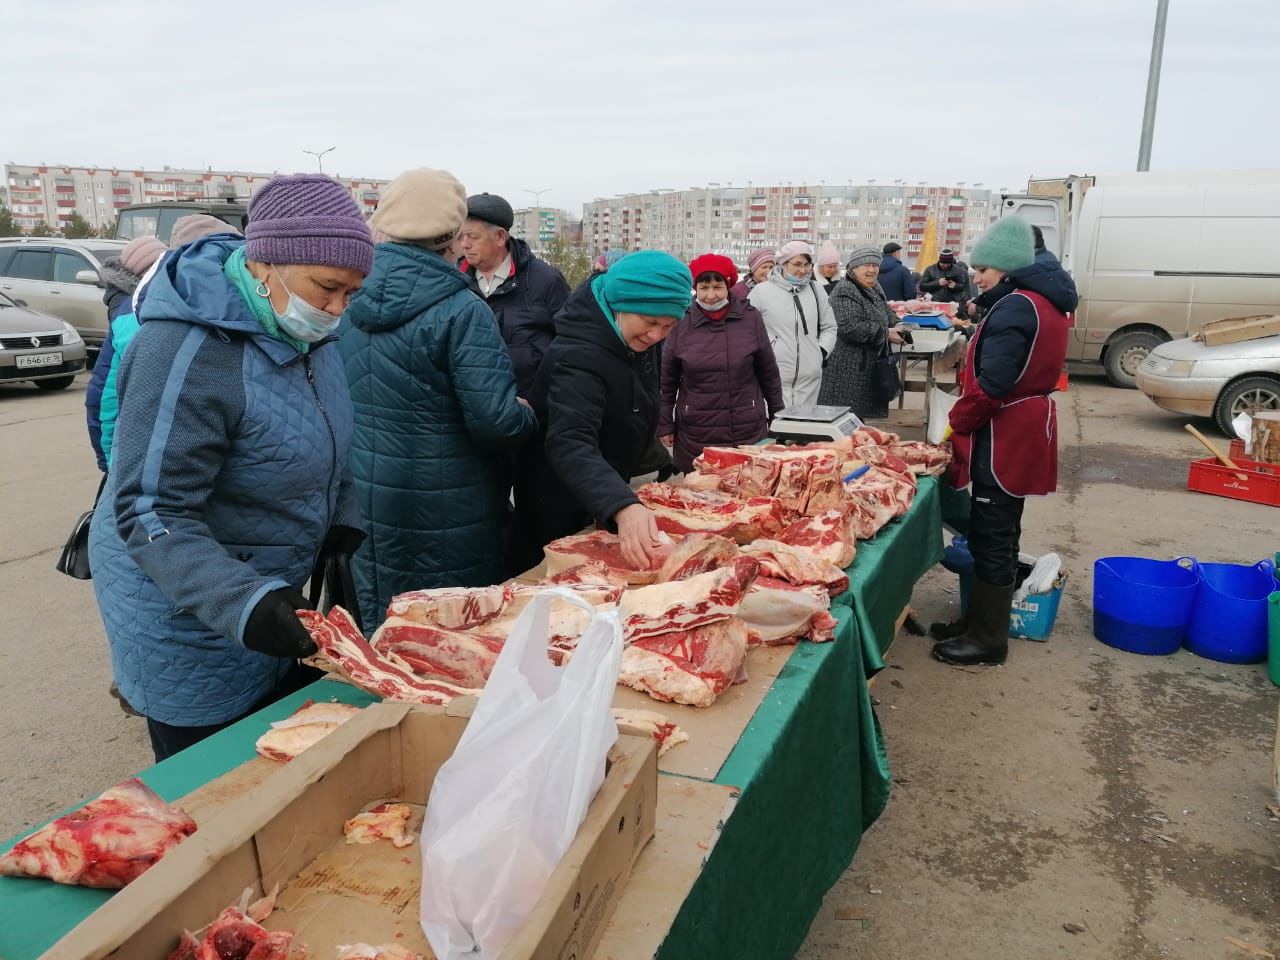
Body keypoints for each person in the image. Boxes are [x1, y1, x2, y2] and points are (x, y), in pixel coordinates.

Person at [89, 174, 374, 761]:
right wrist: (244, 601)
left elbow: (325, 433)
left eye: (352, 293)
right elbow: (150, 510)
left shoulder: (306, 332)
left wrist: (339, 515)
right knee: (217, 786)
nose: (338, 310)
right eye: (328, 288)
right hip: (185, 608)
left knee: (286, 763)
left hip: (269, 583)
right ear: (266, 263)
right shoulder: (186, 349)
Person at [339, 170, 538, 630]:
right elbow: (496, 422)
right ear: (452, 235)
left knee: (386, 622)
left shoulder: (347, 296)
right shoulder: (461, 308)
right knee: (452, 632)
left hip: (369, 493)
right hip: (452, 504)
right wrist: (525, 417)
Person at [932, 217, 1075, 667]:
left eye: (985, 268)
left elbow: (993, 384)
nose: (976, 276)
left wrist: (957, 421)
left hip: (1006, 430)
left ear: (1009, 266)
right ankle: (977, 621)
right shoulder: (1042, 300)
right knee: (999, 529)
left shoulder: (1018, 306)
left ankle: (988, 640)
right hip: (1022, 424)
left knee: (993, 534)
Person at [513, 251, 693, 571]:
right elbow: (571, 442)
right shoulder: (577, 355)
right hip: (557, 503)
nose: (656, 335)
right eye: (650, 322)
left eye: (668, 326)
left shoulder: (638, 339)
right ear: (619, 303)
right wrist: (621, 505)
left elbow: (635, 409)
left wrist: (663, 469)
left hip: (602, 491)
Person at [91, 217, 244, 473]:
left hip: (143, 457)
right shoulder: (249, 305)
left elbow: (104, 398)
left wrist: (110, 462)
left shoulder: (132, 313)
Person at [657, 253, 784, 473]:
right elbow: (667, 381)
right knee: (700, 497)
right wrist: (665, 423)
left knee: (749, 494)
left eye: (717, 287)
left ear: (728, 285)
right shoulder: (680, 321)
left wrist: (777, 414)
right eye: (704, 288)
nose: (710, 295)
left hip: (746, 426)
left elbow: (768, 373)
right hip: (697, 428)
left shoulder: (750, 318)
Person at [457, 193, 571, 396]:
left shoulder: (546, 281)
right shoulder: (454, 282)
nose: (464, 244)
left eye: (472, 236)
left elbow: (571, 347)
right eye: (461, 236)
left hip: (533, 411)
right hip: (471, 411)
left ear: (500, 237)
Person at [84, 236, 166, 472]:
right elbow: (105, 395)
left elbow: (101, 394)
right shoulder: (136, 312)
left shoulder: (126, 306)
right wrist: (109, 460)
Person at [818, 245, 905, 419]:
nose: (872, 270)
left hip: (866, 366)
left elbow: (885, 311)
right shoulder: (845, 290)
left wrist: (899, 323)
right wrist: (885, 333)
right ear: (854, 268)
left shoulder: (874, 286)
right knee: (844, 418)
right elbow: (849, 327)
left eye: (875, 265)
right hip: (847, 370)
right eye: (866, 265)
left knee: (858, 421)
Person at [747, 240, 836, 409]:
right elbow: (746, 331)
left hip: (810, 378)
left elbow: (829, 326)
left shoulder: (816, 290)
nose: (803, 270)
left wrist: (821, 352)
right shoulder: (761, 292)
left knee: (803, 429)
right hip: (773, 376)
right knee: (775, 428)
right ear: (782, 264)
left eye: (807, 264)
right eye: (796, 264)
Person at [920, 248, 971, 315]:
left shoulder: (959, 271)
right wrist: (937, 283)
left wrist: (955, 286)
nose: (945, 265)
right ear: (939, 260)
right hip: (935, 306)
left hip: (954, 307)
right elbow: (922, 286)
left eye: (948, 263)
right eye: (943, 263)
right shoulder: (930, 270)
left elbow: (965, 288)